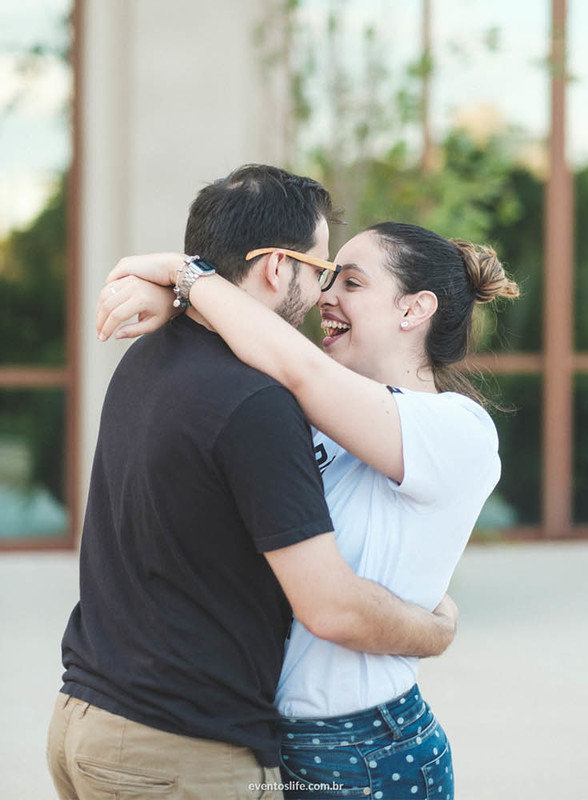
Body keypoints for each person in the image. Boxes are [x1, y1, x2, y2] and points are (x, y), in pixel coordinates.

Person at [49, 165, 457, 800]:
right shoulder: (256, 402)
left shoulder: (148, 357)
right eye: (322, 271)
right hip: (178, 749)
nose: (324, 293)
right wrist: (434, 629)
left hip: (88, 717)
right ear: (274, 267)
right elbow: (330, 606)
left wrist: (179, 286)